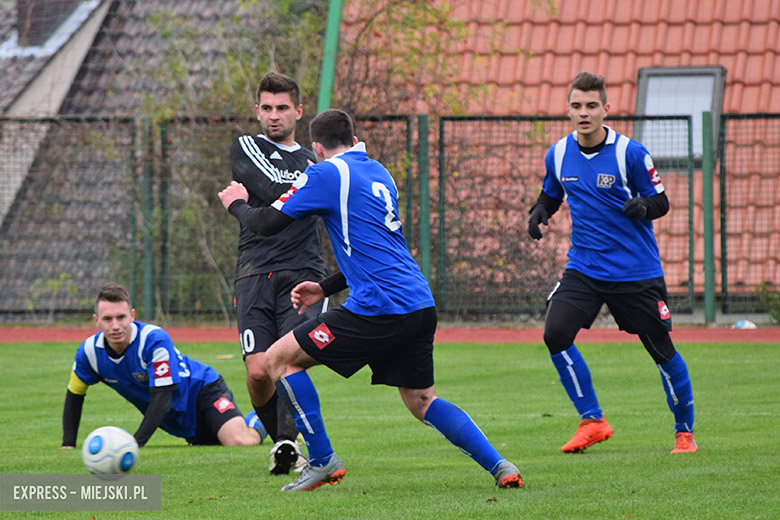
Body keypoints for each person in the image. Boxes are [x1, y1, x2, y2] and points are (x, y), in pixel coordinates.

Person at [218, 108, 523, 492]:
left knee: (278, 360)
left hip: (378, 306)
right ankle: (501, 466)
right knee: (422, 401)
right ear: (353, 137)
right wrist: (324, 289)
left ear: (317, 147)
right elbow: (380, 249)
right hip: (418, 303)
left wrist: (236, 203)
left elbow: (266, 223)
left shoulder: (325, 173)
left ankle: (322, 460)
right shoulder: (379, 172)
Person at [527, 71, 697, 455]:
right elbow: (551, 193)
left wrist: (643, 207)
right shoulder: (558, 153)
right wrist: (538, 212)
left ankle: (684, 432)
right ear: (568, 110)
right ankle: (592, 420)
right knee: (555, 333)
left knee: (661, 349)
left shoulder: (629, 153)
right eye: (576, 106)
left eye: (591, 106)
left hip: (635, 271)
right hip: (585, 268)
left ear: (606, 109)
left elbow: (661, 201)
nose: (584, 113)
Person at [227, 70, 328, 474]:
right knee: (256, 372)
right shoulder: (246, 146)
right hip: (253, 272)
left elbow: (279, 198)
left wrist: (270, 200)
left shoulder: (314, 159)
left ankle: (288, 445)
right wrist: (298, 192)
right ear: (257, 110)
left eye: (282, 108)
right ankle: (285, 442)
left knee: (286, 360)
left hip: (303, 271)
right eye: (266, 108)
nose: (274, 116)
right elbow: (272, 189)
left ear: (298, 112)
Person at [61, 283, 266, 449]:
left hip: (203, 391)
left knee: (240, 442)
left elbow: (163, 398)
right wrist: (68, 445)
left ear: (132, 315)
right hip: (179, 420)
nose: (115, 326)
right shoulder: (89, 353)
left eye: (121, 317)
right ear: (96, 320)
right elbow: (75, 395)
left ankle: (264, 417)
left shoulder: (152, 340)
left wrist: (134, 444)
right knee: (211, 444)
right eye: (107, 319)